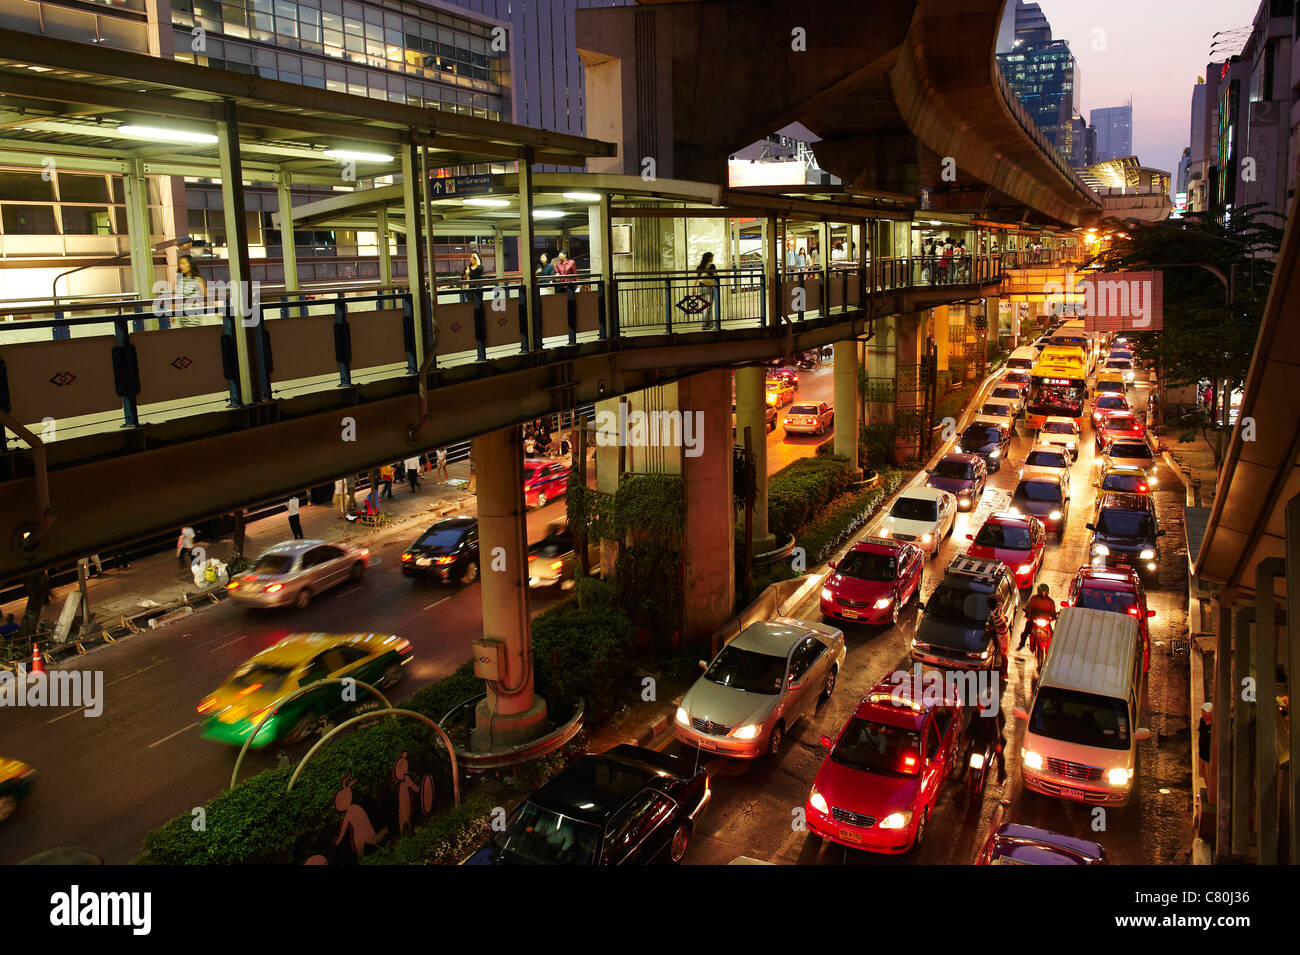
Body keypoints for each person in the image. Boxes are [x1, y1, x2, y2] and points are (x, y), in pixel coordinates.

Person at [969, 705, 1008, 785]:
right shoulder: (975, 714)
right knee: (968, 752)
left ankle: (1001, 775)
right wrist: (967, 736)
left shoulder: (993, 715)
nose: (980, 708)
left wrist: (997, 742)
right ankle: (962, 772)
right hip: (979, 738)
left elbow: (996, 730)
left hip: (990, 739)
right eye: (979, 706)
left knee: (999, 754)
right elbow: (971, 726)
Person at [1020, 583, 1058, 652]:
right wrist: (1027, 613)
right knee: (1026, 630)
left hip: (1045, 622)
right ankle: (1022, 643)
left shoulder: (1050, 602)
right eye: (1042, 592)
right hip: (1034, 620)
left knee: (1052, 635)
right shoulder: (1034, 599)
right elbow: (1029, 608)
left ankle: (1052, 649)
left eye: (1045, 592)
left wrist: (1054, 617)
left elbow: (1053, 613)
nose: (1043, 594)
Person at [175, 254, 207, 327]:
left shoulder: (198, 280)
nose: (181, 266)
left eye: (183, 263)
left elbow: (206, 296)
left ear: (190, 264)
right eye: (179, 264)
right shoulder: (180, 280)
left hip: (193, 315)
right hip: (182, 315)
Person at [694, 251, 720, 331]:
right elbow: (715, 276)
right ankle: (705, 325)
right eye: (712, 257)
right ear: (709, 258)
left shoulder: (700, 266)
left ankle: (710, 324)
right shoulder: (712, 266)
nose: (713, 258)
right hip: (709, 287)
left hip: (701, 287)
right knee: (708, 307)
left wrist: (693, 288)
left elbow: (696, 278)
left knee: (706, 306)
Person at [986, 595, 1010, 676]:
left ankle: (1004, 672)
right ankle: (1002, 669)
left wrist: (991, 627)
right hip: (1003, 634)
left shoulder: (996, 615)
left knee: (1004, 654)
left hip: (1002, 635)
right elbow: (1000, 599)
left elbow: (1002, 625)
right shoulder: (998, 607)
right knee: (1002, 653)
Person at [1197, 702, 1213, 784]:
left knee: (1209, 777)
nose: (1203, 713)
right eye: (1202, 711)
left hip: (1209, 758)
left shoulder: (1214, 726)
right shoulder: (1202, 721)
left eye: (1205, 711)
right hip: (1201, 754)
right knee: (1204, 776)